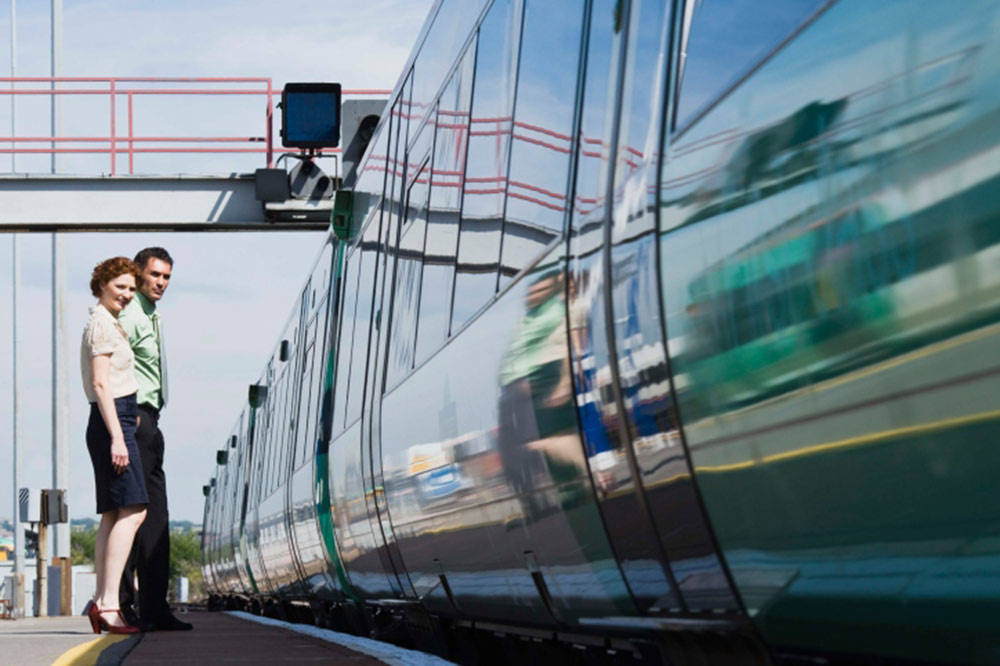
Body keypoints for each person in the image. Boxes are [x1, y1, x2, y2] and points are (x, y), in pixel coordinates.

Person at [117, 247, 192, 631]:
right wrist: (122, 422)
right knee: (142, 516)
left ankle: (143, 607)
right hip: (136, 418)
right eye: (155, 275)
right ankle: (138, 607)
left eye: (166, 277)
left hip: (148, 420)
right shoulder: (130, 314)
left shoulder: (150, 313)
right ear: (139, 273)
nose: (161, 283)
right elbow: (109, 362)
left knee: (146, 516)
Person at [82, 257, 148, 634]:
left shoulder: (105, 322)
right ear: (103, 283)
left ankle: (101, 600)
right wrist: (119, 436)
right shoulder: (103, 325)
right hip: (112, 420)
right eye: (120, 286)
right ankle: (109, 603)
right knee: (135, 509)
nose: (126, 294)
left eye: (129, 288)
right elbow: (101, 383)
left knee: (112, 512)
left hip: (115, 416)